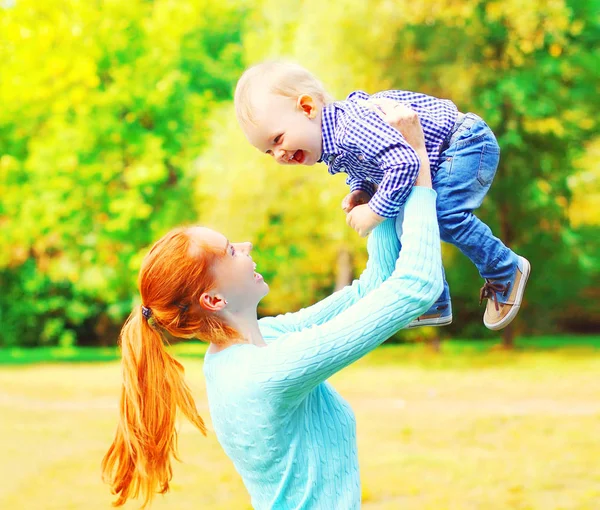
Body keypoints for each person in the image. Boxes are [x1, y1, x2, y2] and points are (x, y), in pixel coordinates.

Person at [102, 105, 442, 509]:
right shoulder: (264, 371)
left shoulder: (258, 344)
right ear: (213, 300)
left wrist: (380, 194)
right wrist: (418, 165)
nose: (245, 246)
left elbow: (370, 290)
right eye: (230, 251)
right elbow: (416, 286)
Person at [234, 60, 531, 331]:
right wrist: (360, 190)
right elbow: (370, 166)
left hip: (463, 142)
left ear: (308, 108)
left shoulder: (351, 125)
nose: (278, 154)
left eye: (277, 139)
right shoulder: (332, 142)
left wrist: (374, 210)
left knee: (441, 214)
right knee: (412, 216)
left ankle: (505, 268)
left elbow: (404, 162)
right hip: (443, 155)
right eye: (268, 151)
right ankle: (432, 298)